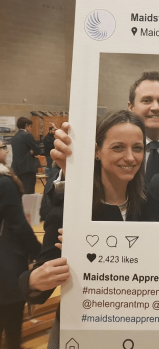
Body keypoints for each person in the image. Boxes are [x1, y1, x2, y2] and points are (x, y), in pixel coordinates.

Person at [19, 110, 147, 348]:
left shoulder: (149, 208)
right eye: (118, 147)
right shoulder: (71, 211)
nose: (130, 157)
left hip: (134, 329)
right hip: (80, 332)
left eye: (137, 148)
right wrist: (35, 280)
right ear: (97, 151)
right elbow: (39, 288)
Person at [51, 72, 159, 187]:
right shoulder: (101, 154)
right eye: (147, 100)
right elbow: (51, 206)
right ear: (131, 107)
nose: (156, 107)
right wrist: (70, 171)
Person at [0, 140, 42, 349]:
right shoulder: (4, 182)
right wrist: (38, 252)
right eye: (2, 148)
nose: (6, 151)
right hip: (6, 260)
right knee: (12, 323)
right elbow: (18, 225)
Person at [11, 117, 41, 194]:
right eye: (30, 126)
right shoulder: (27, 135)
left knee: (20, 191)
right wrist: (32, 152)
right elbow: (37, 150)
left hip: (17, 168)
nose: (31, 129)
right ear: (26, 125)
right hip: (27, 168)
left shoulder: (14, 137)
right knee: (29, 191)